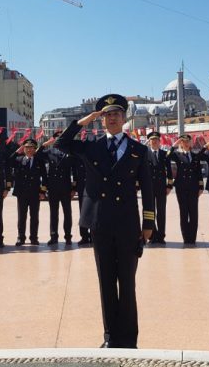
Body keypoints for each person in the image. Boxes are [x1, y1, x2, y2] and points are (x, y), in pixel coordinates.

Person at [54, 93, 154, 348]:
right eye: (107, 115)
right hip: (100, 224)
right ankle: (110, 337)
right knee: (106, 283)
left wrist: (148, 224)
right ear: (101, 120)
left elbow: (149, 189)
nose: (112, 118)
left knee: (127, 283)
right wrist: (83, 121)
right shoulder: (91, 147)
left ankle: (129, 339)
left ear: (124, 118)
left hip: (128, 225)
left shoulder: (139, 150)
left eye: (117, 114)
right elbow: (61, 144)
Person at [37, 130, 77, 246]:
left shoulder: (70, 152)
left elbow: (74, 171)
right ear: (54, 139)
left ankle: (68, 236)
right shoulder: (49, 151)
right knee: (53, 213)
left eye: (62, 137)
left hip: (66, 188)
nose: (60, 139)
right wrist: (45, 144)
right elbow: (38, 155)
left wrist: (74, 188)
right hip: (53, 187)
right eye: (57, 137)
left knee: (67, 213)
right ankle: (53, 236)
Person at [167, 134, 204, 245]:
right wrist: (174, 145)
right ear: (181, 143)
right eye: (183, 142)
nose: (186, 143)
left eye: (188, 141)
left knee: (193, 213)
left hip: (193, 187)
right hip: (181, 187)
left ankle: (192, 238)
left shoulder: (195, 155)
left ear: (191, 142)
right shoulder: (177, 155)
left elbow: (198, 172)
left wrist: (201, 186)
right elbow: (167, 156)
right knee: (183, 213)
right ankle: (186, 238)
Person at [10, 138, 47, 246]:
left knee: (34, 217)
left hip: (35, 193)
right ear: (23, 149)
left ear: (35, 149)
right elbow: (9, 161)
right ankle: (21, 237)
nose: (29, 150)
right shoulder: (18, 160)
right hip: (22, 193)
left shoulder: (39, 161)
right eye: (26, 148)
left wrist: (42, 192)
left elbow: (44, 178)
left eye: (31, 148)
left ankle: (34, 238)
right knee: (22, 217)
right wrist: (18, 150)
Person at [146, 131, 173, 244]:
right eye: (152, 140)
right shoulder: (145, 154)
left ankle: (161, 235)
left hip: (162, 187)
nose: (154, 142)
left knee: (161, 212)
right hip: (149, 187)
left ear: (159, 141)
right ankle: (152, 235)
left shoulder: (164, 154)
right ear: (149, 142)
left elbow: (169, 171)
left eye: (156, 140)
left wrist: (169, 186)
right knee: (150, 212)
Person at [73, 154, 91, 245]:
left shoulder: (94, 154)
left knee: (94, 211)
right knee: (83, 212)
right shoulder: (77, 156)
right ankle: (84, 236)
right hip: (82, 188)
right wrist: (74, 188)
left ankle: (93, 235)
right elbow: (74, 173)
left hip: (93, 187)